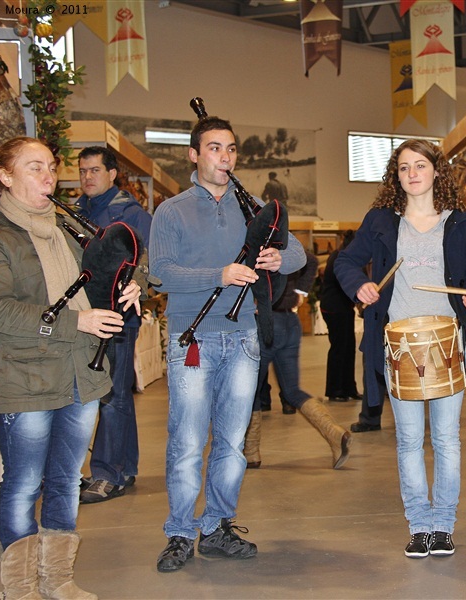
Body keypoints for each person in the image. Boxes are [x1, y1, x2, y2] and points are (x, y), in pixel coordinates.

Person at [0, 136, 141, 599]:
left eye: (50, 167)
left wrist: (127, 287)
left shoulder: (62, 232)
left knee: (64, 481)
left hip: (79, 374)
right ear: (5, 177)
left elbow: (98, 279)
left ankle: (58, 579)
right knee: (23, 485)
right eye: (34, 167)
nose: (48, 177)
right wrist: (78, 320)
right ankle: (18, 587)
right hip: (25, 379)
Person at [149, 116, 306, 573]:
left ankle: (216, 526)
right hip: (193, 338)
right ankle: (179, 532)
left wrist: (279, 255)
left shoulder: (251, 206)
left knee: (232, 444)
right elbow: (159, 273)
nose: (225, 157)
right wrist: (217, 275)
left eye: (231, 148)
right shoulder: (172, 211)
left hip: (243, 339)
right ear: (194, 155)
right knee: (187, 441)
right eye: (214, 148)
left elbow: (295, 251)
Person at [334, 139, 466, 558]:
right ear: (396, 175)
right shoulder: (382, 221)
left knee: (446, 440)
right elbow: (344, 262)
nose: (413, 174)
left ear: (436, 170)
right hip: (398, 343)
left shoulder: (458, 222)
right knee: (407, 440)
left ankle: (444, 525)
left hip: (446, 342)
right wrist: (360, 286)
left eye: (420, 165)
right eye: (404, 168)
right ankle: (419, 525)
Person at [76, 146, 153, 504]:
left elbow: (149, 260)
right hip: (84, 317)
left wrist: (139, 282)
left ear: (112, 174)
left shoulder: (131, 214)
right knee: (114, 393)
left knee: (112, 394)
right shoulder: (75, 212)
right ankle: (126, 465)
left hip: (119, 316)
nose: (87, 177)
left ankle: (108, 474)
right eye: (82, 171)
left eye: (94, 170)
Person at [245, 249, 352, 469]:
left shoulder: (258, 243)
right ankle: (334, 433)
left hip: (265, 323)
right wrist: (300, 290)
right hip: (289, 322)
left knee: (251, 388)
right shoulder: (287, 244)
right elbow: (311, 259)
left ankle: (251, 452)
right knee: (292, 391)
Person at [319, 230, 362, 402]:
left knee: (348, 348)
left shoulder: (342, 257)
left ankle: (349, 388)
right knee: (339, 349)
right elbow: (345, 284)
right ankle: (335, 390)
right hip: (334, 309)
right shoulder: (339, 258)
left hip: (343, 309)